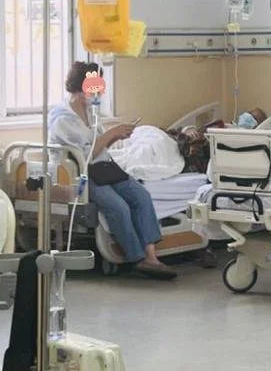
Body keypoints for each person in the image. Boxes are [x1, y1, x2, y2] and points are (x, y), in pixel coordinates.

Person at [49, 61, 177, 280]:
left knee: (141, 196)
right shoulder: (62, 119)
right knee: (118, 206)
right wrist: (111, 133)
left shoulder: (90, 113)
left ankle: (151, 258)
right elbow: (85, 155)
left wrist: (115, 136)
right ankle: (137, 258)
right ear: (81, 88)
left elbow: (99, 147)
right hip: (81, 174)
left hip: (104, 168)